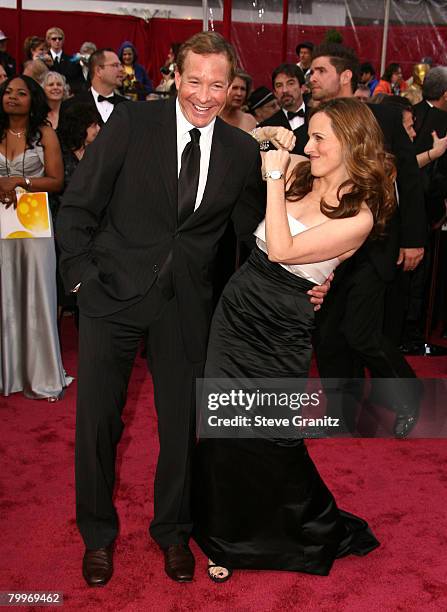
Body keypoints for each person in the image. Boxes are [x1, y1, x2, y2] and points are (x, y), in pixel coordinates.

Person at [56, 31, 328, 588]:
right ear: (175, 76)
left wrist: (304, 277)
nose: (203, 95)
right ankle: (98, 535)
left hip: (185, 306)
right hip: (110, 295)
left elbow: (260, 233)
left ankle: (174, 533)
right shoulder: (133, 124)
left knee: (182, 426)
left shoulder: (236, 149)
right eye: (194, 80)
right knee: (98, 424)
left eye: (217, 84)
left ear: (233, 89)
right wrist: (81, 282)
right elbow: (80, 204)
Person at [194, 97, 394, 581]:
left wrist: (275, 175)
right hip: (239, 306)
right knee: (223, 427)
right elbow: (250, 140)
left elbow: (283, 249)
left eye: (321, 137)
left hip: (283, 322)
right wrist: (273, 140)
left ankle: (307, 525)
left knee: (273, 435)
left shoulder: (360, 214)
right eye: (310, 135)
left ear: (351, 142)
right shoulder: (303, 168)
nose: (310, 144)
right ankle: (226, 538)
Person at [303, 42, 426, 438]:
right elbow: (292, 164)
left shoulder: (384, 117)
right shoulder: (315, 120)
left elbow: (407, 174)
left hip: (375, 244)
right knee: (328, 336)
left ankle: (409, 394)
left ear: (344, 76)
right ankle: (343, 413)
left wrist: (414, 238)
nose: (312, 77)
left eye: (319, 70)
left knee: (361, 332)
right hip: (328, 247)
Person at [0, 76, 71, 399]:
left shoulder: (45, 134)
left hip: (34, 225)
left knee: (36, 293)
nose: (12, 97)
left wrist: (19, 181)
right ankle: (7, 372)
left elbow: (57, 181)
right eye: (7, 92)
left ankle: (39, 372)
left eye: (21, 93)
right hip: (1, 224)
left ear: (33, 99)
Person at [61, 48, 126, 125]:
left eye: (120, 65)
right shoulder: (71, 106)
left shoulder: (127, 107)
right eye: (115, 65)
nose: (122, 69)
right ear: (98, 71)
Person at [260, 63, 307, 154]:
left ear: (302, 88)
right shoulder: (266, 127)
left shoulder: (319, 116)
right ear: (275, 93)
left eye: (290, 83)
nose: (284, 90)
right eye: (279, 85)